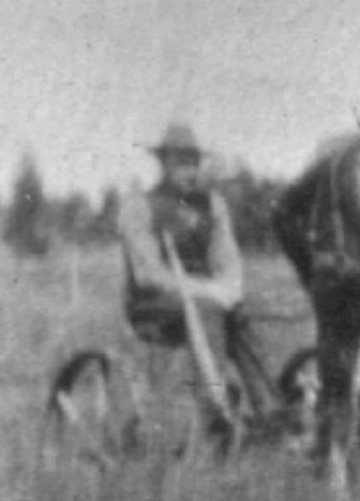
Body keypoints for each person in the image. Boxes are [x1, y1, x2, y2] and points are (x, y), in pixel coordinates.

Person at [116, 122, 275, 441]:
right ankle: (214, 415)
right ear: (163, 164)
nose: (189, 171)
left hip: (205, 299)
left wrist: (229, 289)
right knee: (207, 309)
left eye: (193, 163)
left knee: (245, 310)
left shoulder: (212, 205)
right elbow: (148, 274)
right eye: (180, 163)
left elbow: (227, 261)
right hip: (153, 305)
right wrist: (206, 291)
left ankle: (271, 411)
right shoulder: (139, 206)